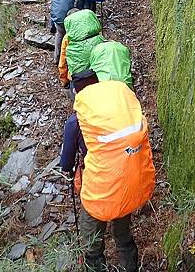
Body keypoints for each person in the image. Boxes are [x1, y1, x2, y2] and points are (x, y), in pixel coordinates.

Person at [60, 70, 155, 272]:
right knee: (123, 235)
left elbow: (66, 162)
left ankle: (96, 265)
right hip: (127, 179)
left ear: (77, 92)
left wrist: (69, 171)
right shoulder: (118, 110)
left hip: (99, 189)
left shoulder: (76, 121)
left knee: (92, 241)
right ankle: (130, 266)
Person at [51, 0, 106, 65]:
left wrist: (52, 24)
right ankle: (75, 61)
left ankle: (57, 59)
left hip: (58, 19)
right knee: (76, 39)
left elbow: (56, 6)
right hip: (71, 20)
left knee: (60, 35)